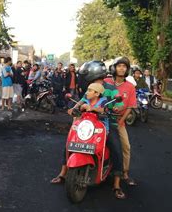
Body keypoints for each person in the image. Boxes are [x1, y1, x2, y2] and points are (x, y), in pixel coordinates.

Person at [52, 61, 126, 199]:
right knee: (71, 141)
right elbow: (82, 101)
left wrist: (116, 108)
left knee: (116, 147)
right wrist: (73, 109)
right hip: (88, 121)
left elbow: (120, 105)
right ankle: (62, 173)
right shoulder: (90, 88)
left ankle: (117, 184)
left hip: (107, 122)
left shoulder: (110, 88)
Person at [105, 57, 137, 186]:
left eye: (124, 66)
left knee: (125, 147)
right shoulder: (106, 81)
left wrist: (121, 121)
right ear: (114, 68)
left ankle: (124, 173)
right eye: (119, 66)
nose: (122, 68)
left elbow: (130, 107)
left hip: (118, 121)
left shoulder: (130, 87)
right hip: (102, 119)